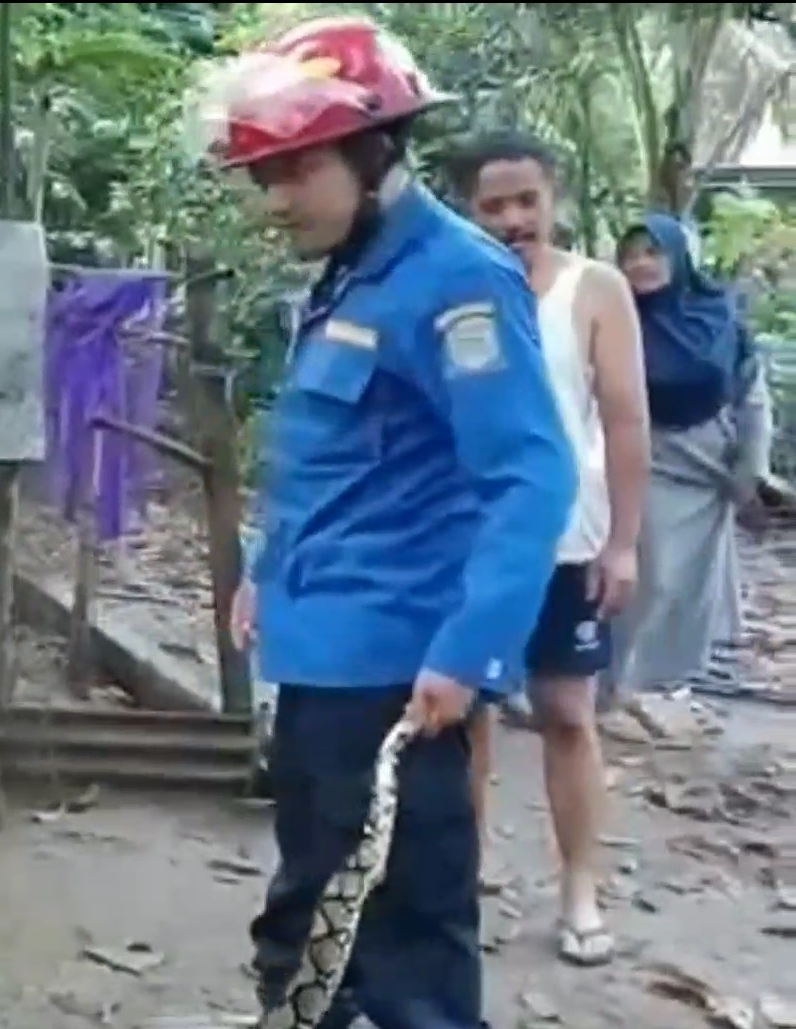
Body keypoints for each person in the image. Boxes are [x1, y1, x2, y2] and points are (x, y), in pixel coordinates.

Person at [201, 16, 576, 1028]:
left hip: (394, 676)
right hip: (322, 659)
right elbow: (330, 463)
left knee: (403, 945)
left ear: (370, 154)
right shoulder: (351, 269)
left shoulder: (455, 280)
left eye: (291, 172)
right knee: (309, 918)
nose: (272, 201)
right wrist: (264, 570)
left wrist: (466, 652)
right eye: (261, 177)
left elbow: (531, 478)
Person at [450, 131, 649, 967]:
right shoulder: (452, 289)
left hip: (568, 542)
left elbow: (625, 418)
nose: (511, 219)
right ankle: (466, 869)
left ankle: (578, 889)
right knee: (462, 713)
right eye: (492, 205)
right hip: (467, 540)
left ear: (550, 197)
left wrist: (623, 544)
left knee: (568, 715)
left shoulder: (593, 289)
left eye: (525, 200)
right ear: (466, 209)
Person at [612, 213, 771, 700]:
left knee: (689, 586)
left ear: (681, 258)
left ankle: (661, 680)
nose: (641, 264)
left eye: (653, 252)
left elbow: (752, 395)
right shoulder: (613, 316)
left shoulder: (719, 317)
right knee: (646, 580)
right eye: (631, 255)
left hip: (708, 469)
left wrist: (751, 470)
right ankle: (618, 683)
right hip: (645, 463)